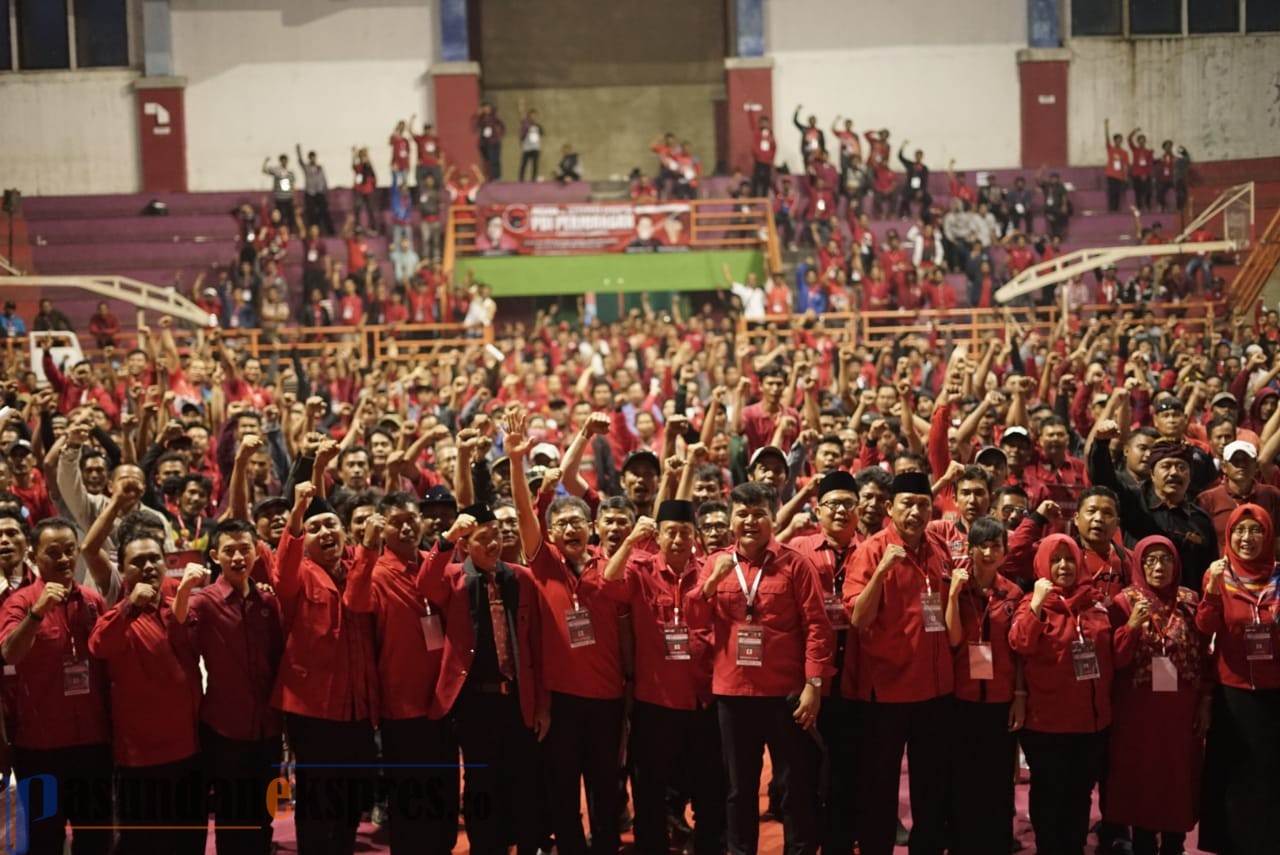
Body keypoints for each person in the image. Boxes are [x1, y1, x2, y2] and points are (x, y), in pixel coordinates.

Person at [685, 482, 834, 855]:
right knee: (738, 789)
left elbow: (817, 626)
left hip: (785, 694)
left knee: (794, 787)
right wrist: (713, 582)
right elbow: (693, 618)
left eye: (759, 513)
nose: (750, 521)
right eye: (743, 513)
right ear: (732, 517)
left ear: (772, 516)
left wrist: (813, 684)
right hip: (733, 694)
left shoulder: (794, 563)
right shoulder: (715, 563)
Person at [507, 408, 627, 855]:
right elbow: (523, 510)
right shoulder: (543, 562)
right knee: (563, 786)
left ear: (591, 528)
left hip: (609, 697)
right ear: (551, 534)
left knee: (606, 787)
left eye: (579, 521)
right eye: (562, 524)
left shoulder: (608, 564)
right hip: (562, 700)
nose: (572, 528)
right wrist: (516, 462)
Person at [422, 504, 547, 855]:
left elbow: (535, 645)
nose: (494, 543)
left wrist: (543, 704)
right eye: (483, 538)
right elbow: (426, 582)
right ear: (465, 545)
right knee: (480, 783)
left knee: (523, 781)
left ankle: (526, 845)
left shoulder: (521, 577)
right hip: (474, 701)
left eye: (497, 535)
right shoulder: (453, 577)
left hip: (517, 697)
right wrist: (447, 538)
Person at [602, 499, 725, 855]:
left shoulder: (709, 570)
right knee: (650, 788)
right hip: (654, 701)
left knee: (709, 785)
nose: (677, 539)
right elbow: (608, 583)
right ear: (658, 536)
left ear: (695, 537)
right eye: (670, 532)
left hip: (703, 698)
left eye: (685, 532)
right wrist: (629, 542)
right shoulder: (640, 569)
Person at [344, 492, 458, 855]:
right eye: (396, 521)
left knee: (443, 790)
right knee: (410, 800)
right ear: (382, 527)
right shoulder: (376, 571)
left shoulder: (433, 561)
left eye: (412, 518)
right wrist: (366, 547)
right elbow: (355, 603)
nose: (407, 526)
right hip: (401, 703)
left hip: (442, 699)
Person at [845, 471, 953, 855]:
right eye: (907, 503)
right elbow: (857, 618)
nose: (916, 511)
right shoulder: (871, 550)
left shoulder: (940, 548)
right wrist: (880, 572)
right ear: (890, 508)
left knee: (931, 785)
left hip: (934, 689)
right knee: (879, 787)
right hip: (886, 690)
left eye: (923, 504)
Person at [273, 481, 379, 855]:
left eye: (330, 524)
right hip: (312, 708)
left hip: (357, 703)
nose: (325, 532)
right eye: (314, 528)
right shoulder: (296, 573)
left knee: (352, 794)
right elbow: (284, 563)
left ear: (345, 530)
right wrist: (298, 514)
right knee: (318, 796)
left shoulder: (358, 567)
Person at [0, 518, 113, 855]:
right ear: (34, 555)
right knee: (45, 838)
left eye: (69, 551)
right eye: (54, 553)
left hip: (93, 744)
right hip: (40, 749)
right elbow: (8, 654)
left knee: (95, 837)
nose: (64, 559)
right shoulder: (19, 603)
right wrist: (38, 612)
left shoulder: (93, 601)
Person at [89, 530, 205, 855]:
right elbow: (99, 646)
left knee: (189, 842)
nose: (149, 566)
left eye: (154, 558)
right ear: (123, 570)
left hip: (190, 751)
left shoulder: (178, 607)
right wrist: (129, 606)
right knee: (145, 845)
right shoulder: (118, 616)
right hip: (140, 760)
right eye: (137, 562)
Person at [172, 518, 283, 854]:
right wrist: (181, 591)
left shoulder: (268, 602)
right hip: (223, 729)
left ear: (256, 553)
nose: (238, 557)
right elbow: (177, 636)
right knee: (231, 816)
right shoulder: (203, 601)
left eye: (244, 549)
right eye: (229, 551)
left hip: (267, 728)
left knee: (265, 814)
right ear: (215, 557)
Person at [1009, 534, 1114, 855]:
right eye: (1055, 560)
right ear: (1042, 564)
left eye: (1069, 559)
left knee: (1080, 792)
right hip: (1047, 722)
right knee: (1049, 791)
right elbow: (1020, 643)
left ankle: (1074, 846)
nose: (1064, 566)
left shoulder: (1095, 602)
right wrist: (1039, 603)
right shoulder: (1031, 603)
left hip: (1091, 720)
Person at [1105, 535, 1209, 855]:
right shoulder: (1124, 602)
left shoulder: (1191, 601)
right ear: (1138, 563)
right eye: (1149, 560)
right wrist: (1132, 626)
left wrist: (1205, 703)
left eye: (1165, 559)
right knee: (1143, 781)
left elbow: (1205, 657)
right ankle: (1144, 843)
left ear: (1176, 563)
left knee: (1178, 780)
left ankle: (1175, 844)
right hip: (1138, 712)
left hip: (1180, 711)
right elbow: (1116, 660)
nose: (1157, 566)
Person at [1196, 504, 1280, 855]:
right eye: (1239, 531)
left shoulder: (1278, 576)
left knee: (1269, 775)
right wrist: (1213, 593)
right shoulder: (1218, 574)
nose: (1247, 538)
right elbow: (1204, 628)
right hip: (1233, 692)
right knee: (1233, 773)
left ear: (1268, 535)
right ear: (1228, 535)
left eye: (1255, 530)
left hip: (1275, 691)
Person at [787, 471, 860, 855]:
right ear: (819, 509)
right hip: (810, 678)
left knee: (848, 771)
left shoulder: (870, 551)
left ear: (859, 510)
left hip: (857, 677)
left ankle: (839, 843)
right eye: (833, 503)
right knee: (803, 773)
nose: (841, 511)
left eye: (848, 503)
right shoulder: (798, 548)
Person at [943, 516, 1025, 855]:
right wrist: (951, 596)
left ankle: (997, 844)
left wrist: (1019, 698)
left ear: (1005, 553)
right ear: (970, 549)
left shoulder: (1014, 593)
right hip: (961, 699)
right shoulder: (958, 588)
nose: (989, 553)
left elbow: (1020, 652)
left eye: (996, 546)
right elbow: (953, 638)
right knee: (962, 779)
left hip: (1000, 700)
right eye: (982, 546)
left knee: (997, 782)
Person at [296, 145, 335, 235]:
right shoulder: (307, 168)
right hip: (310, 193)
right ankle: (313, 232)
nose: (313, 159)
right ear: (309, 158)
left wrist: (326, 193)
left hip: (319, 192)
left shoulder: (320, 168)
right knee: (311, 213)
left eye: (314, 157)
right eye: (311, 158)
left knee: (324, 212)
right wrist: (298, 151)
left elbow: (324, 180)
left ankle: (330, 231)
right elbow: (300, 162)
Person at [263, 153, 298, 227]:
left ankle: (291, 231)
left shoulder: (290, 172)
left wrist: (294, 197)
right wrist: (265, 162)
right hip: (279, 197)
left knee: (291, 215)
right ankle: (279, 229)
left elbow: (293, 185)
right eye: (283, 161)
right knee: (279, 215)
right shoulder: (276, 171)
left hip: (288, 197)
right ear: (280, 161)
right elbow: (265, 170)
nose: (284, 162)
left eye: (285, 161)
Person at [474, 101, 506, 181]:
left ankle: (497, 177)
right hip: (486, 143)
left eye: (488, 107)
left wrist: (501, 134)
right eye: (485, 108)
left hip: (495, 141)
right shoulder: (480, 118)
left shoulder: (494, 117)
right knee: (489, 160)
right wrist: (478, 115)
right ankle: (490, 177)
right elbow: (475, 127)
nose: (487, 109)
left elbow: (501, 125)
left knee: (496, 159)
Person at [519, 101, 543, 182]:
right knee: (524, 164)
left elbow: (541, 138)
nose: (533, 116)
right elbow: (522, 115)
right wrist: (521, 106)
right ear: (529, 115)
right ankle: (521, 179)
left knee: (535, 164)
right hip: (527, 148)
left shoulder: (538, 126)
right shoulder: (526, 124)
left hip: (535, 148)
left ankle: (533, 179)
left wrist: (541, 147)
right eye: (532, 114)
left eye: (535, 115)